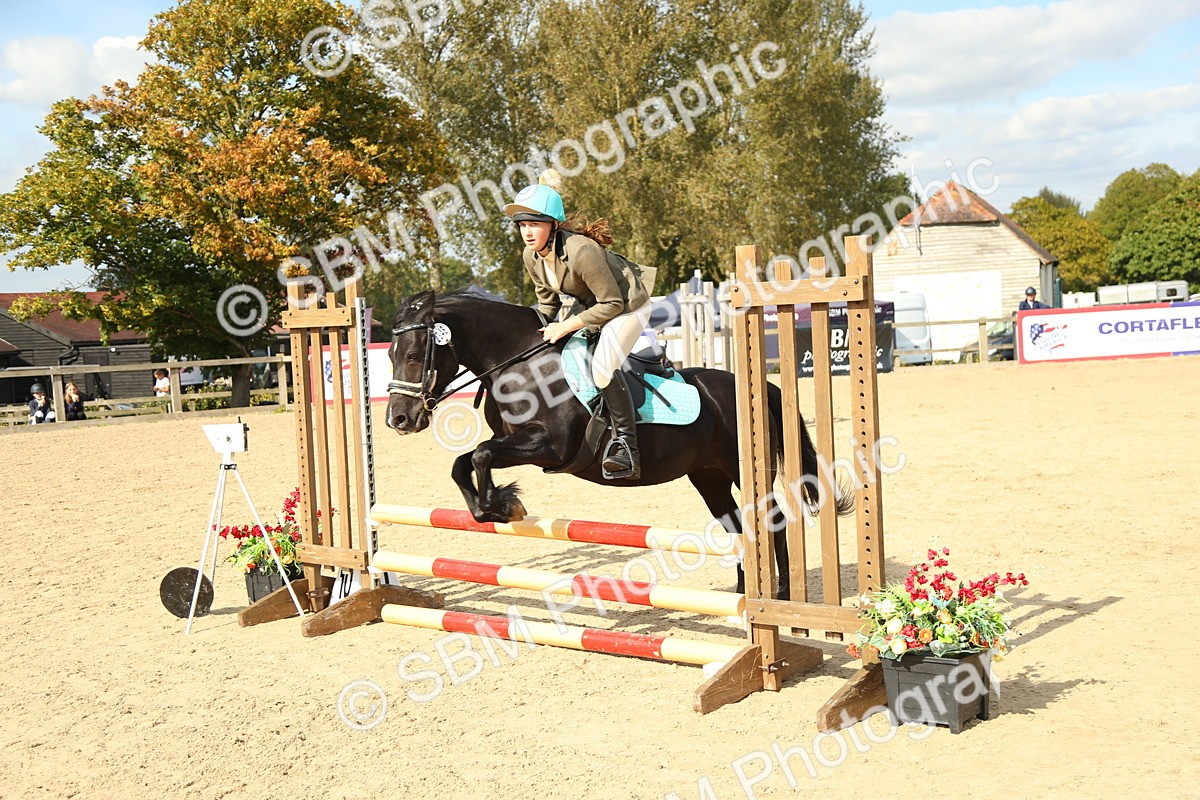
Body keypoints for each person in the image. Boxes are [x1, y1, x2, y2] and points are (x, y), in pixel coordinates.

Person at [503, 170, 653, 480]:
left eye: (534, 224)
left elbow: (612, 303)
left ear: (553, 225)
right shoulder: (531, 257)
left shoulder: (582, 250)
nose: (527, 233)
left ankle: (627, 446)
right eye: (523, 226)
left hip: (628, 307)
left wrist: (567, 325)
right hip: (594, 309)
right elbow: (548, 306)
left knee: (601, 368)